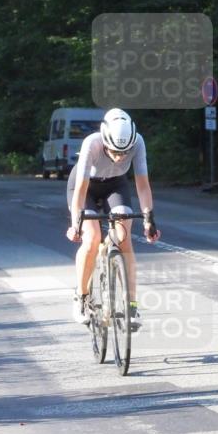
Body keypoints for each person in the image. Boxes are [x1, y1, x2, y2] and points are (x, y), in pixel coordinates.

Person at [65, 108, 160, 330]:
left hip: (116, 184)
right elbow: (80, 189)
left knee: (123, 237)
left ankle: (131, 305)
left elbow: (142, 185)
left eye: (124, 153)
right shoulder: (92, 143)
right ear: (105, 141)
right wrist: (75, 224)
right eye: (114, 152)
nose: (119, 157)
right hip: (86, 187)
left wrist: (149, 220)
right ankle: (82, 297)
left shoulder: (138, 143)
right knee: (92, 238)